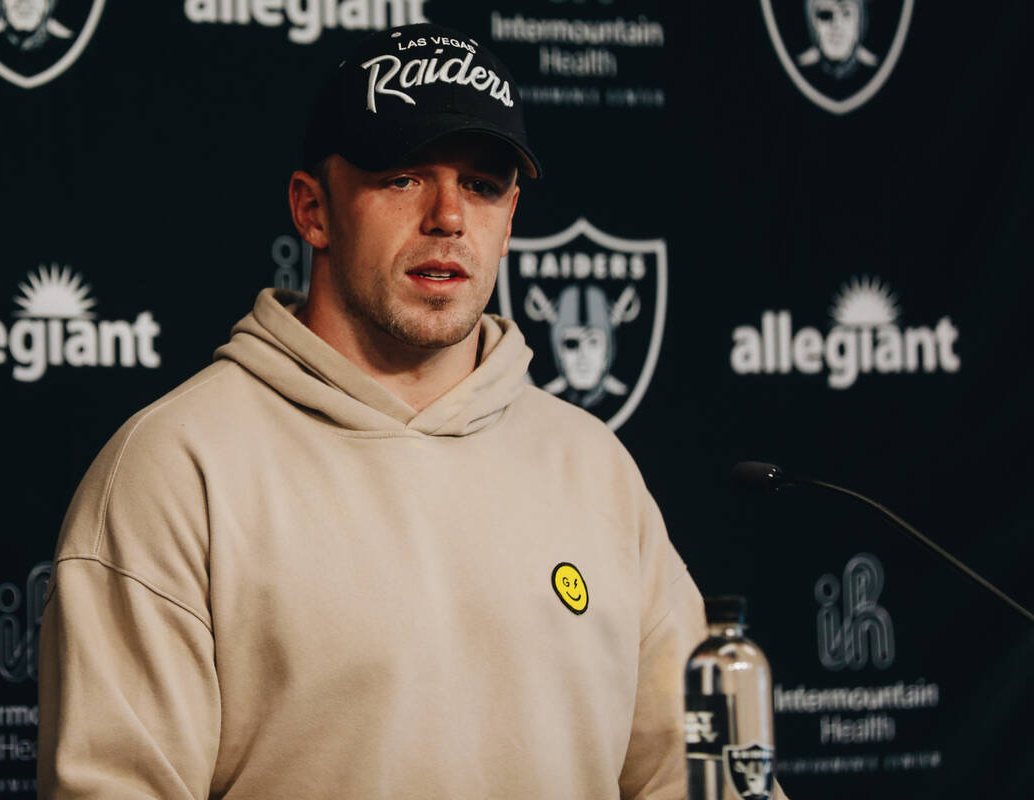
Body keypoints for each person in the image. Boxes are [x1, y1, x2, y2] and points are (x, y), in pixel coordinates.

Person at [37, 22, 728, 799]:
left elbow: (700, 779)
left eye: (482, 184)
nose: (447, 216)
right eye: (403, 176)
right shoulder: (177, 466)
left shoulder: (594, 468)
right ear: (313, 210)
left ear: (511, 220)